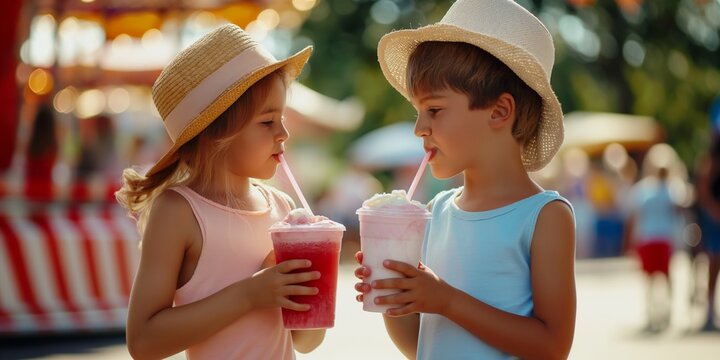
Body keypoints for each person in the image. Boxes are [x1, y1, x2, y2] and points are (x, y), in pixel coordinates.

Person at [354, 1, 576, 358]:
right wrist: (394, 296)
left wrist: (445, 300)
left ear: (500, 111)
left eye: (434, 110)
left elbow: (552, 347)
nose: (419, 128)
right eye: (418, 112)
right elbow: (419, 346)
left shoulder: (545, 216)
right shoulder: (432, 214)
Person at [115, 24, 323, 359]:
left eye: (282, 118)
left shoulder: (285, 210)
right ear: (216, 133)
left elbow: (306, 342)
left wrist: (314, 288)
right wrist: (250, 294)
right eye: (267, 122)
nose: (283, 133)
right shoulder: (178, 211)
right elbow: (143, 341)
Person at [626, 161, 680, 332]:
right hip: (661, 237)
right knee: (664, 276)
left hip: (650, 237)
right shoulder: (672, 190)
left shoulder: (645, 190)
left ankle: (654, 312)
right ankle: (664, 311)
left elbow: (635, 216)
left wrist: (631, 240)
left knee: (652, 277)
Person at [696, 137, 720, 331]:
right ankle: (710, 311)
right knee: (713, 264)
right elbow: (703, 192)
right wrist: (715, 211)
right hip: (714, 221)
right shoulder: (711, 162)